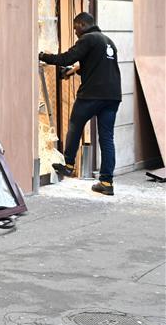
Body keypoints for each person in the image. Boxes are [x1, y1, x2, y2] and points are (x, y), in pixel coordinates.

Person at [39, 11, 122, 195]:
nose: (75, 32)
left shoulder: (87, 39)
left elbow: (67, 58)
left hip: (92, 94)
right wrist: (70, 73)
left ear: (83, 25)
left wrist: (43, 56)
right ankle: (106, 183)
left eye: (76, 28)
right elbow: (93, 66)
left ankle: (68, 164)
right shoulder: (108, 41)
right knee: (107, 138)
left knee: (75, 124)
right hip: (113, 96)